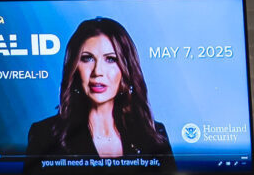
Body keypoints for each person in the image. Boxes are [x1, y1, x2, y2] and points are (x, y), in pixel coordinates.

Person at [25, 17, 174, 166]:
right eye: (87, 58)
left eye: (110, 59)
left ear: (126, 68)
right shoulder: (44, 135)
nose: (98, 71)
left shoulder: (154, 133)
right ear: (74, 68)